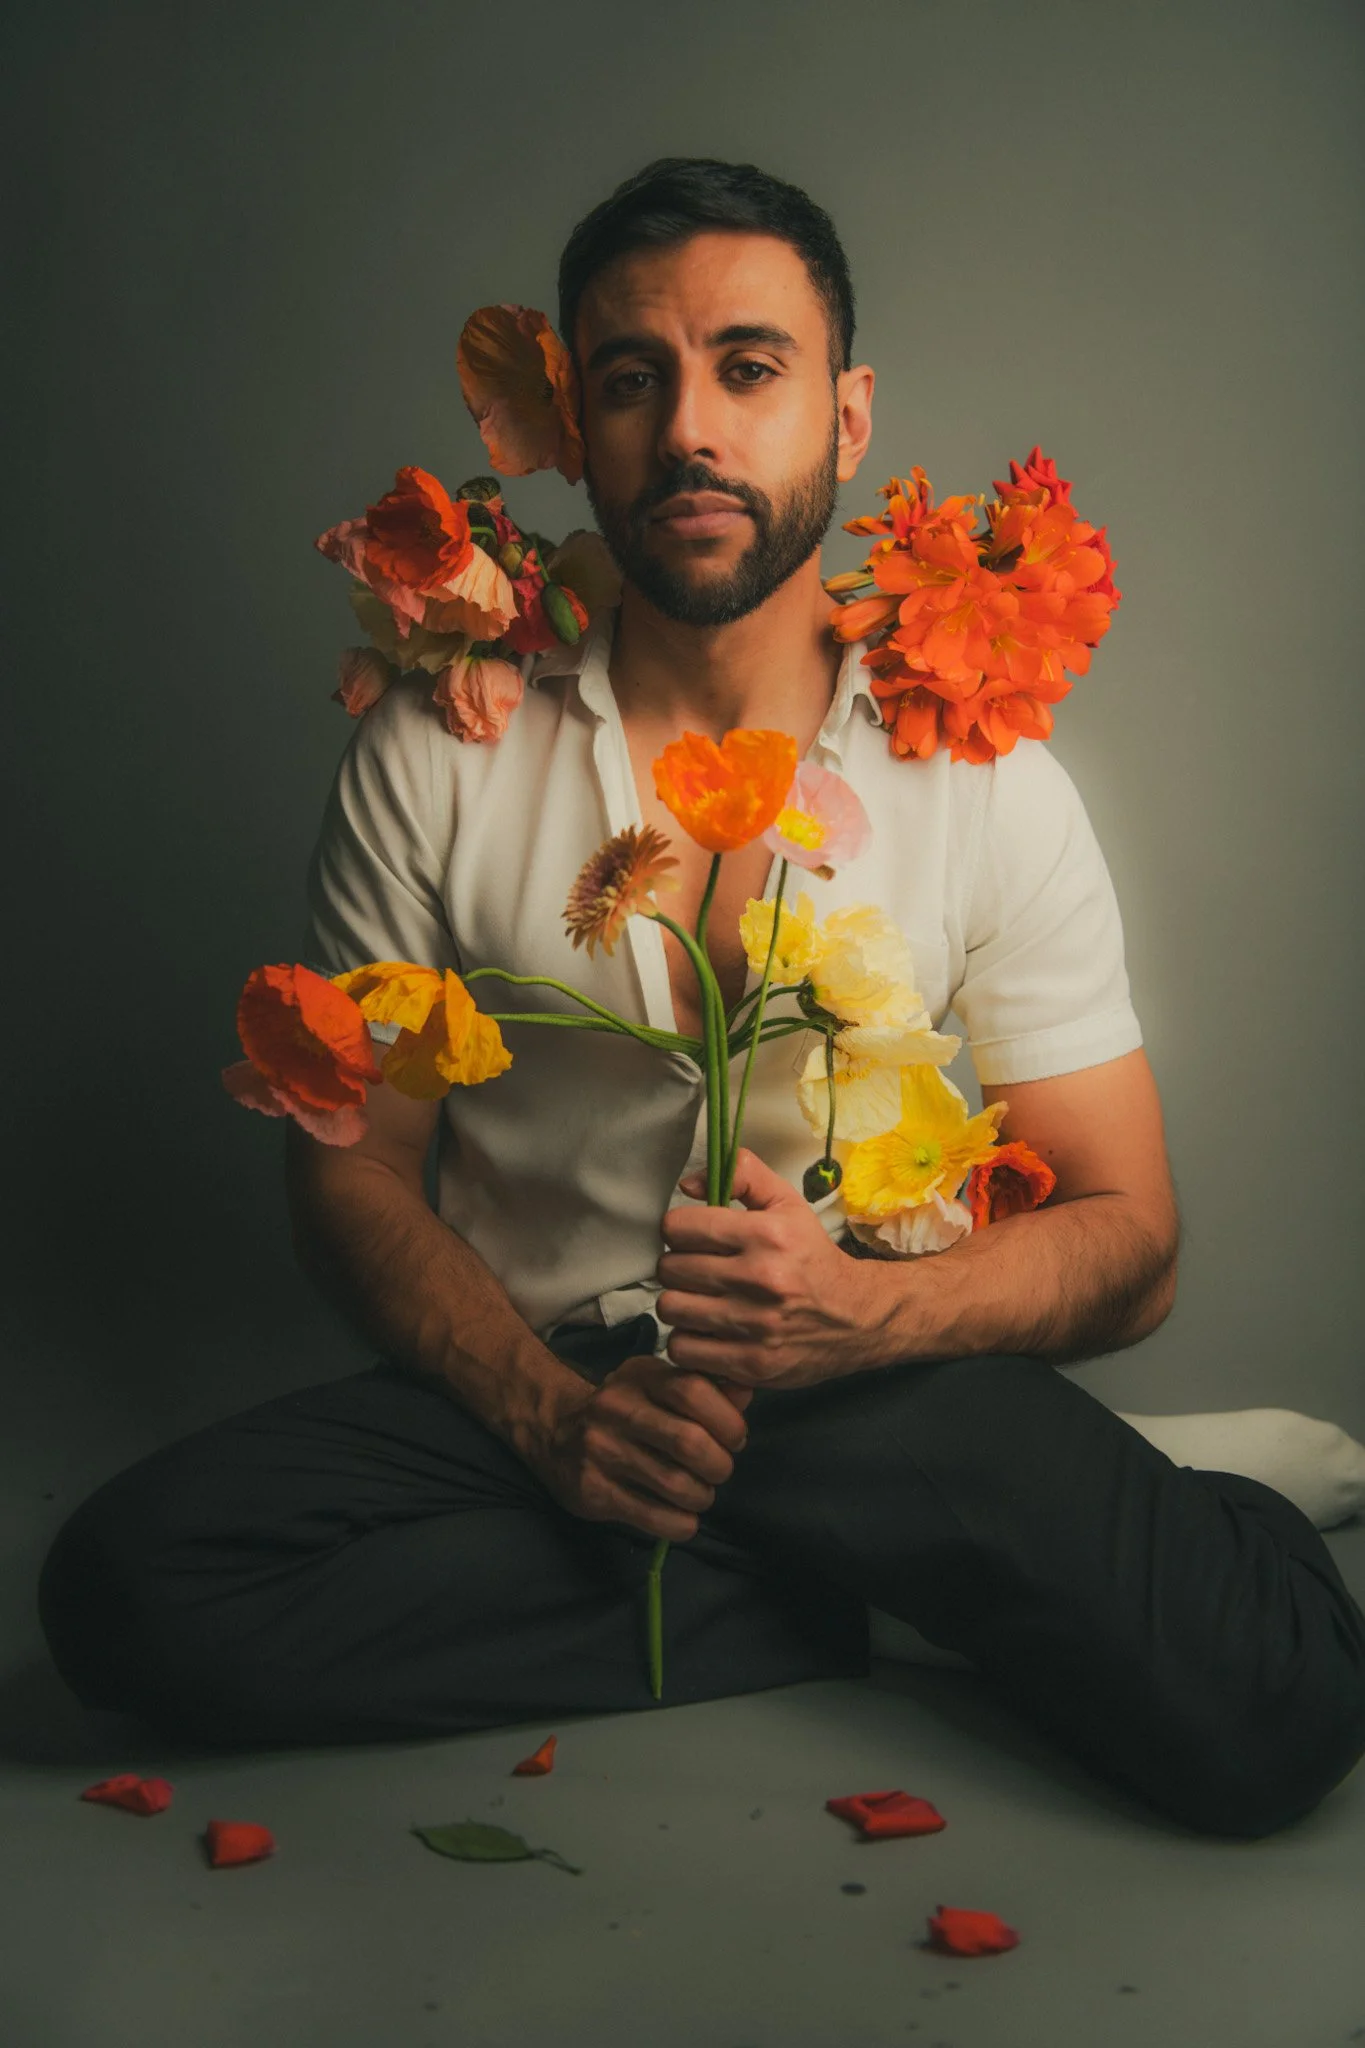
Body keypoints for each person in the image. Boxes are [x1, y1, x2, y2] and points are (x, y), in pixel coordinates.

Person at [38, 157, 1365, 1839]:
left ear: (848, 412)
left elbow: (1134, 1239)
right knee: (129, 1595)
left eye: (751, 368)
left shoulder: (984, 773)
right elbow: (350, 1169)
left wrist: (860, 1315)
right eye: (631, 378)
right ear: (573, 428)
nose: (690, 431)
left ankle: (1128, 1512)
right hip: (540, 1385)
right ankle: (897, 1595)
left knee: (1277, 1714)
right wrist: (551, 1417)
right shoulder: (438, 750)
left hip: (873, 1386)